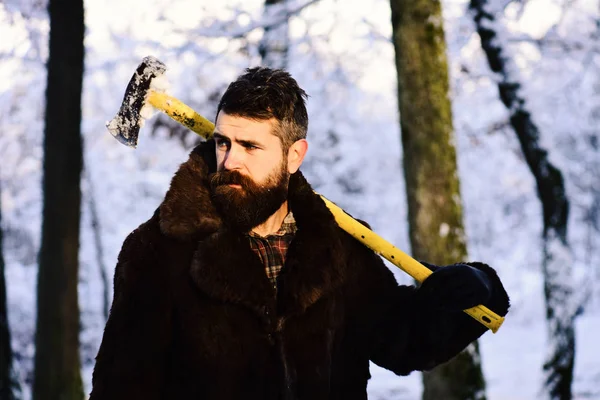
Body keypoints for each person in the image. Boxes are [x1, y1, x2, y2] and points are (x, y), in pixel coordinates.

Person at [89, 67, 509, 400]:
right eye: (222, 142)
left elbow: (402, 342)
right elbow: (121, 388)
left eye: (250, 146)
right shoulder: (159, 250)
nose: (230, 160)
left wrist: (474, 288)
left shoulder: (339, 244)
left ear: (294, 155)